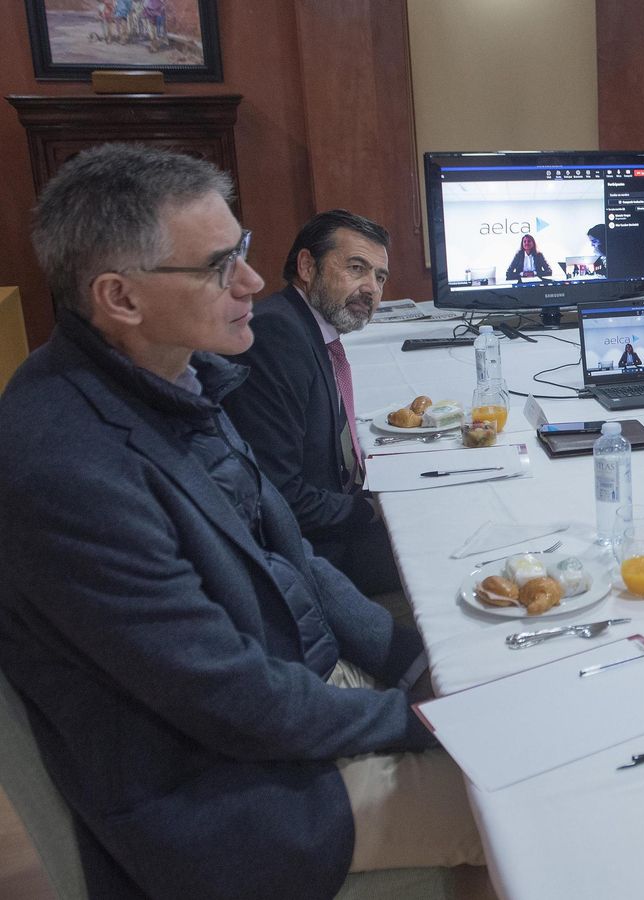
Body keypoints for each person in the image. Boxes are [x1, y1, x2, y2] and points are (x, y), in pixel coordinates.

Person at [0, 144, 482, 899]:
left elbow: (292, 557)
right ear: (121, 298)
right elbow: (229, 700)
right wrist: (415, 719)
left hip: (298, 701)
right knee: (543, 799)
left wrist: (414, 665)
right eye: (220, 266)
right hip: (228, 792)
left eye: (245, 252)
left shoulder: (175, 375)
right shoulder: (66, 469)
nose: (255, 284)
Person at [223, 210, 401, 596]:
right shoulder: (276, 335)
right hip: (311, 552)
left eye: (379, 277)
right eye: (357, 268)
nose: (371, 288)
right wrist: (372, 509)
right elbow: (277, 494)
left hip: (327, 520)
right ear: (307, 266)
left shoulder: (305, 327)